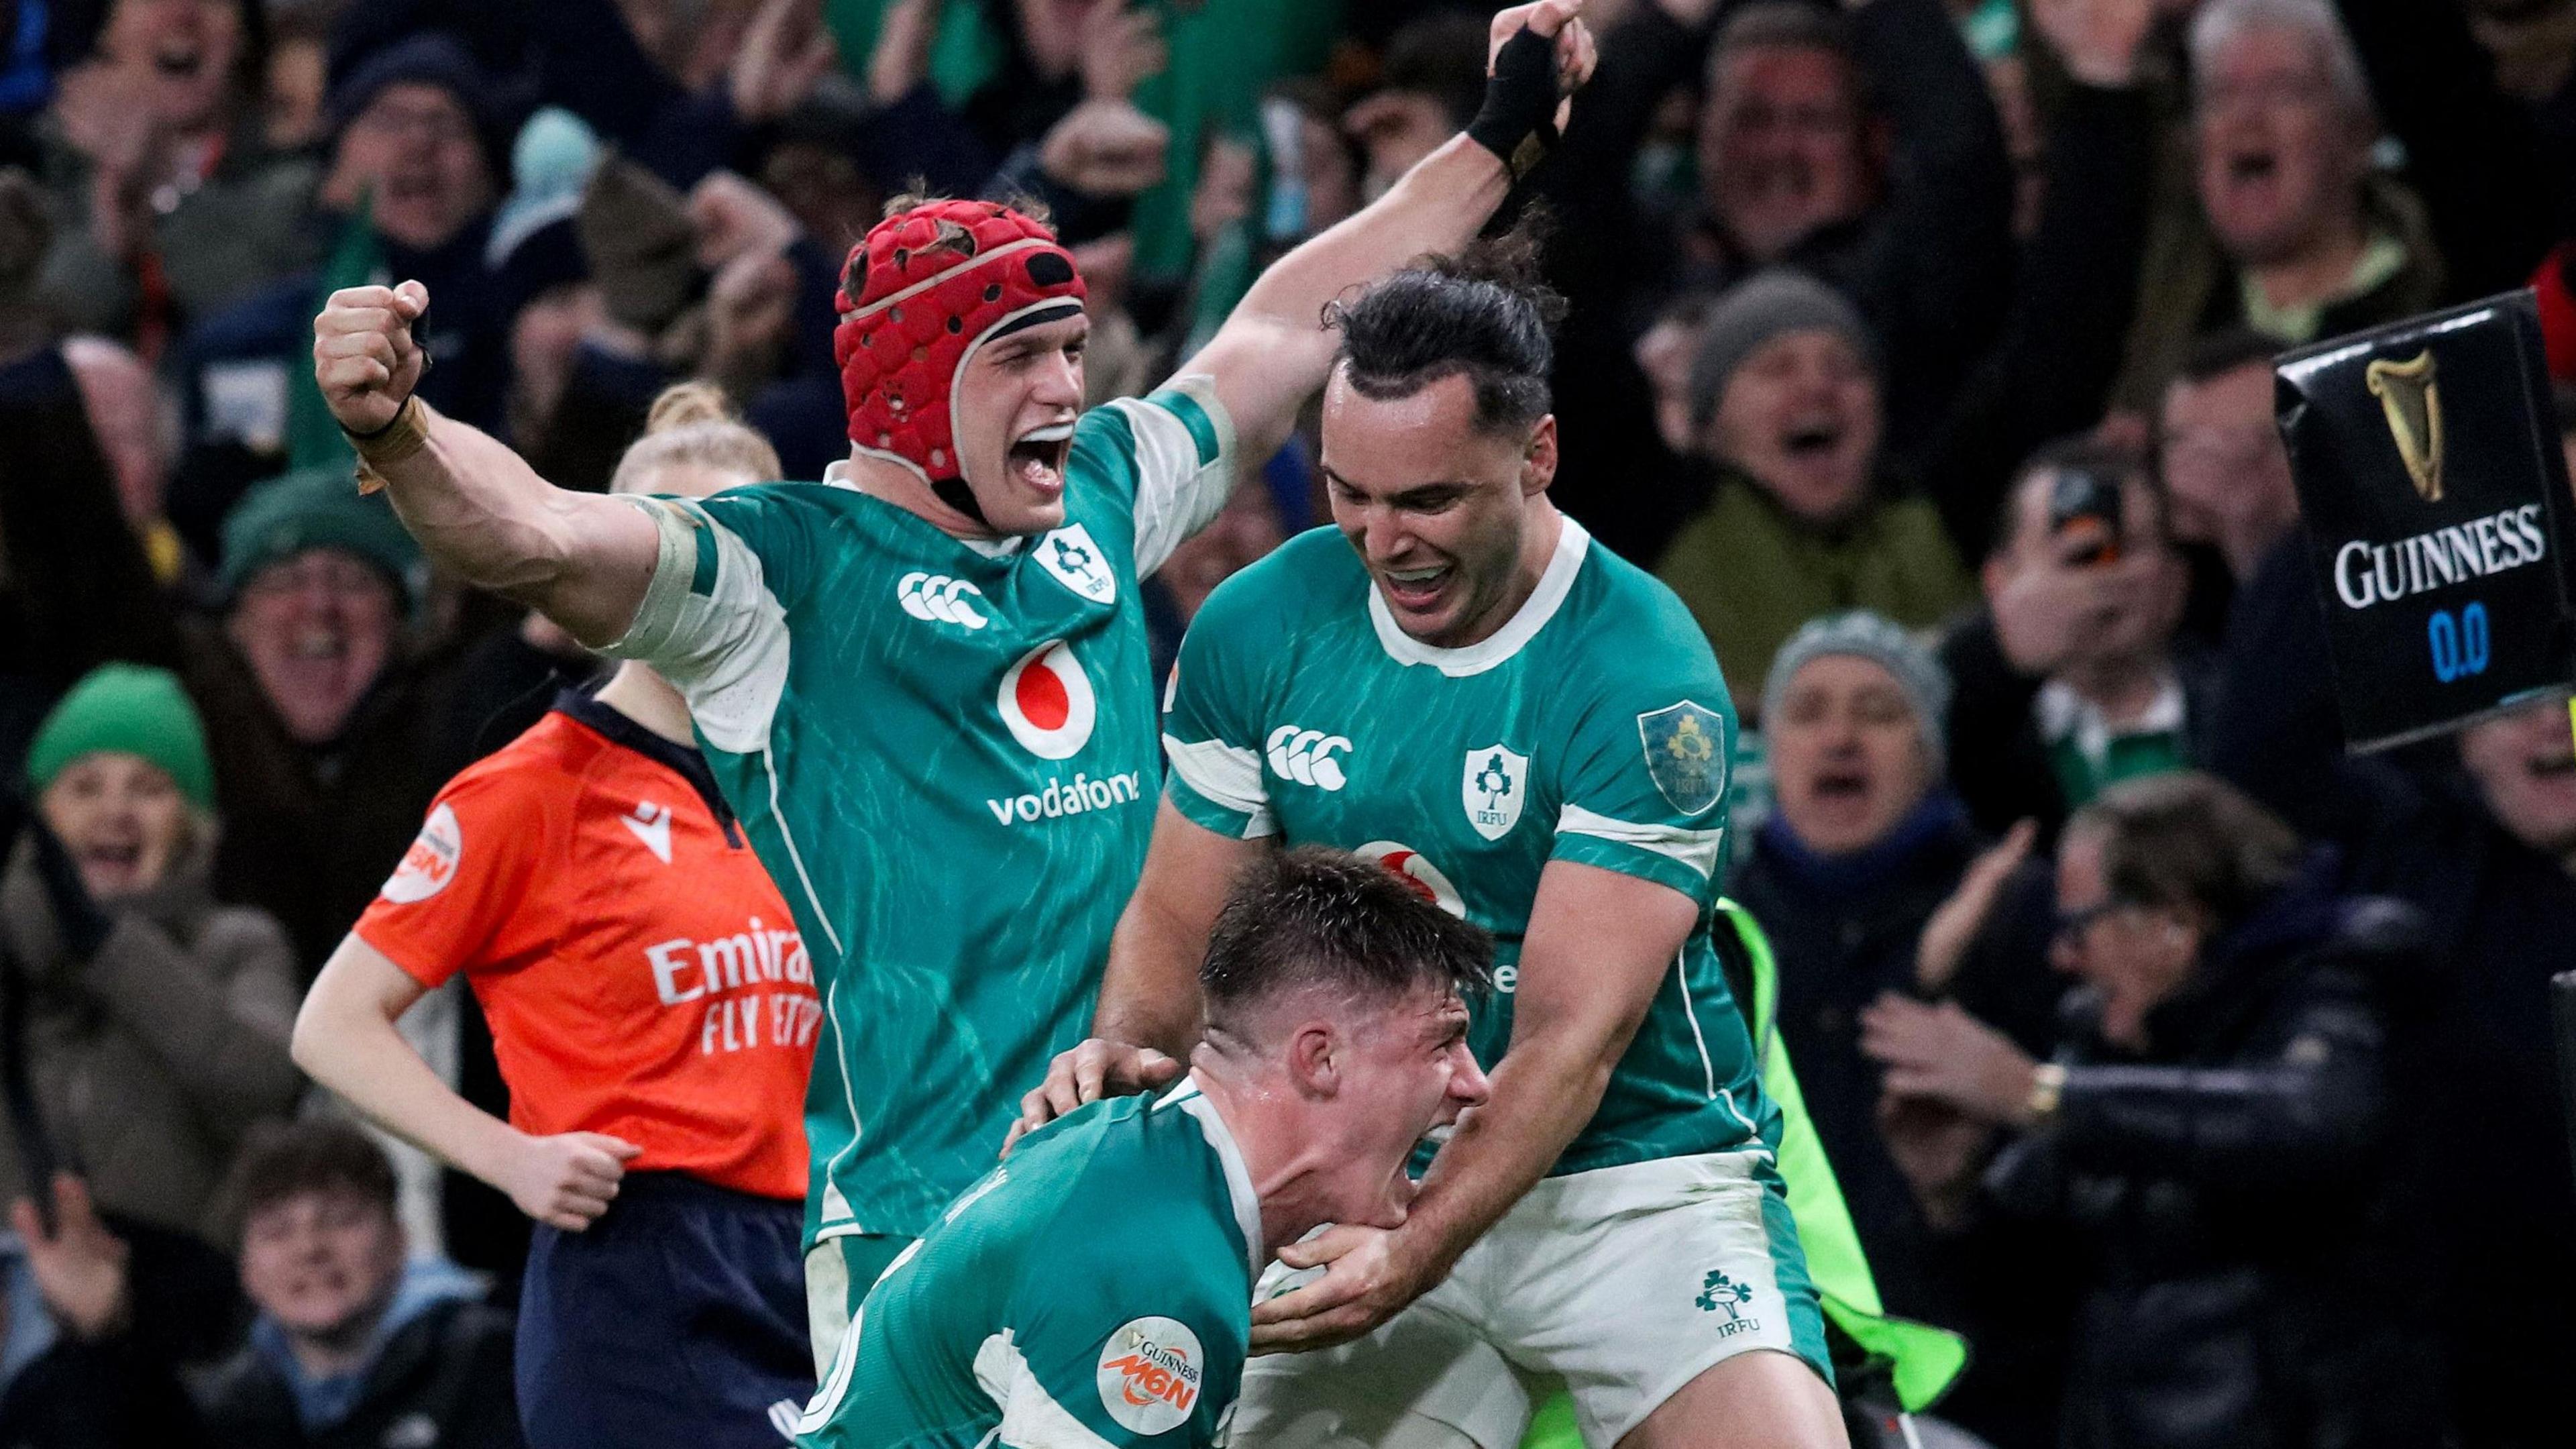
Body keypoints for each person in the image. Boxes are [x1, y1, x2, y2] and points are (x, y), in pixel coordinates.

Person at [309, 0, 1600, 1377]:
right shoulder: (783, 581)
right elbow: (539, 534)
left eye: (1070, 344)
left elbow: (1286, 324)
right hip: (927, 1234)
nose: (1069, 382)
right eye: (1025, 357)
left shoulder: (1099, 496)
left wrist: (1496, 143)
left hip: (1148, 1193)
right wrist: (404, 429)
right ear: (920, 391)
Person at [1021, 237, 1845, 1448]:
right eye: (1348, 492)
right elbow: (1180, 924)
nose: (1382, 538)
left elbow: (1577, 1035)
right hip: (1363, 1167)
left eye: (1428, 500)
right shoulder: (1260, 627)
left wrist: (1416, 1248)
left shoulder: (1644, 678)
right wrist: (1128, 1060)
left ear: (1537, 455)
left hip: (1631, 1179)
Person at [292, 386, 820, 1449]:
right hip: (638, 1270)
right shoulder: (530, 789)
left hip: (824, 1256)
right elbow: (332, 1025)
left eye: (726, 534)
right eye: (659, 531)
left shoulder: (824, 784)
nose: (688, 563)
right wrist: (508, 1158)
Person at [806, 846, 1493, 1447]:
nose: (1475, 1085)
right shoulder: (1156, 1275)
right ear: (1321, 1059)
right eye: (1443, 1043)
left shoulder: (1131, 1151)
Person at [1859, 773, 2447, 1449]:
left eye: (2079, 926)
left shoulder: (2348, 970)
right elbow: (2017, 1316)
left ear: (2173, 920)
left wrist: (2037, 1095)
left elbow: (2310, 1120)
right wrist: (1953, 1194)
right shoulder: (2100, 1039)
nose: (2062, 957)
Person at [1725, 612, 2068, 1449]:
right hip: (1779, 1386)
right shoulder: (1711, 930)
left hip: (1988, 1384)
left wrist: (1960, 1192)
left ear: (1933, 749)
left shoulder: (2019, 912)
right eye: (1806, 712)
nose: (1839, 737)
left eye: (1878, 712)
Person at [1, 661, 301, 1243]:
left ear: (191, 825)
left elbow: (266, 1082)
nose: (115, 812)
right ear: (40, 816)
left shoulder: (240, 944)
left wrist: (109, 948)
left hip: (185, 1304)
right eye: (84, 788)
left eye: (150, 789)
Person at [1654, 270, 1976, 707]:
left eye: (1845, 369)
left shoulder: (1945, 530)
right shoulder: (1662, 566)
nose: (1818, 388)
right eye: (1775, 369)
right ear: (1711, 426)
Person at [178, 468, 456, 972]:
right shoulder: (186, 749)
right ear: (236, 624)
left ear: (399, 623)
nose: (320, 606)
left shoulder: (455, 745)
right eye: (285, 581)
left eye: (353, 581)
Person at [2112, 0, 2438, 408]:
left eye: (2285, 90)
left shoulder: (2440, 294)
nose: (2247, 118)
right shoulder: (2153, 306)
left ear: (2357, 130)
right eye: (2221, 95)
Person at [196, 1118, 525, 1449]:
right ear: (246, 1268)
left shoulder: (498, 1361)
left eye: (341, 1220)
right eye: (277, 1232)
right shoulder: (214, 1414)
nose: (310, 1248)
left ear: (399, 1239)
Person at [1941, 441, 2202, 839]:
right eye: (2077, 554)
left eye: (2126, 546)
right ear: (2000, 584)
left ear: (2177, 576)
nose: (2102, 576)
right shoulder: (1954, 737)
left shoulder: (2248, 706)